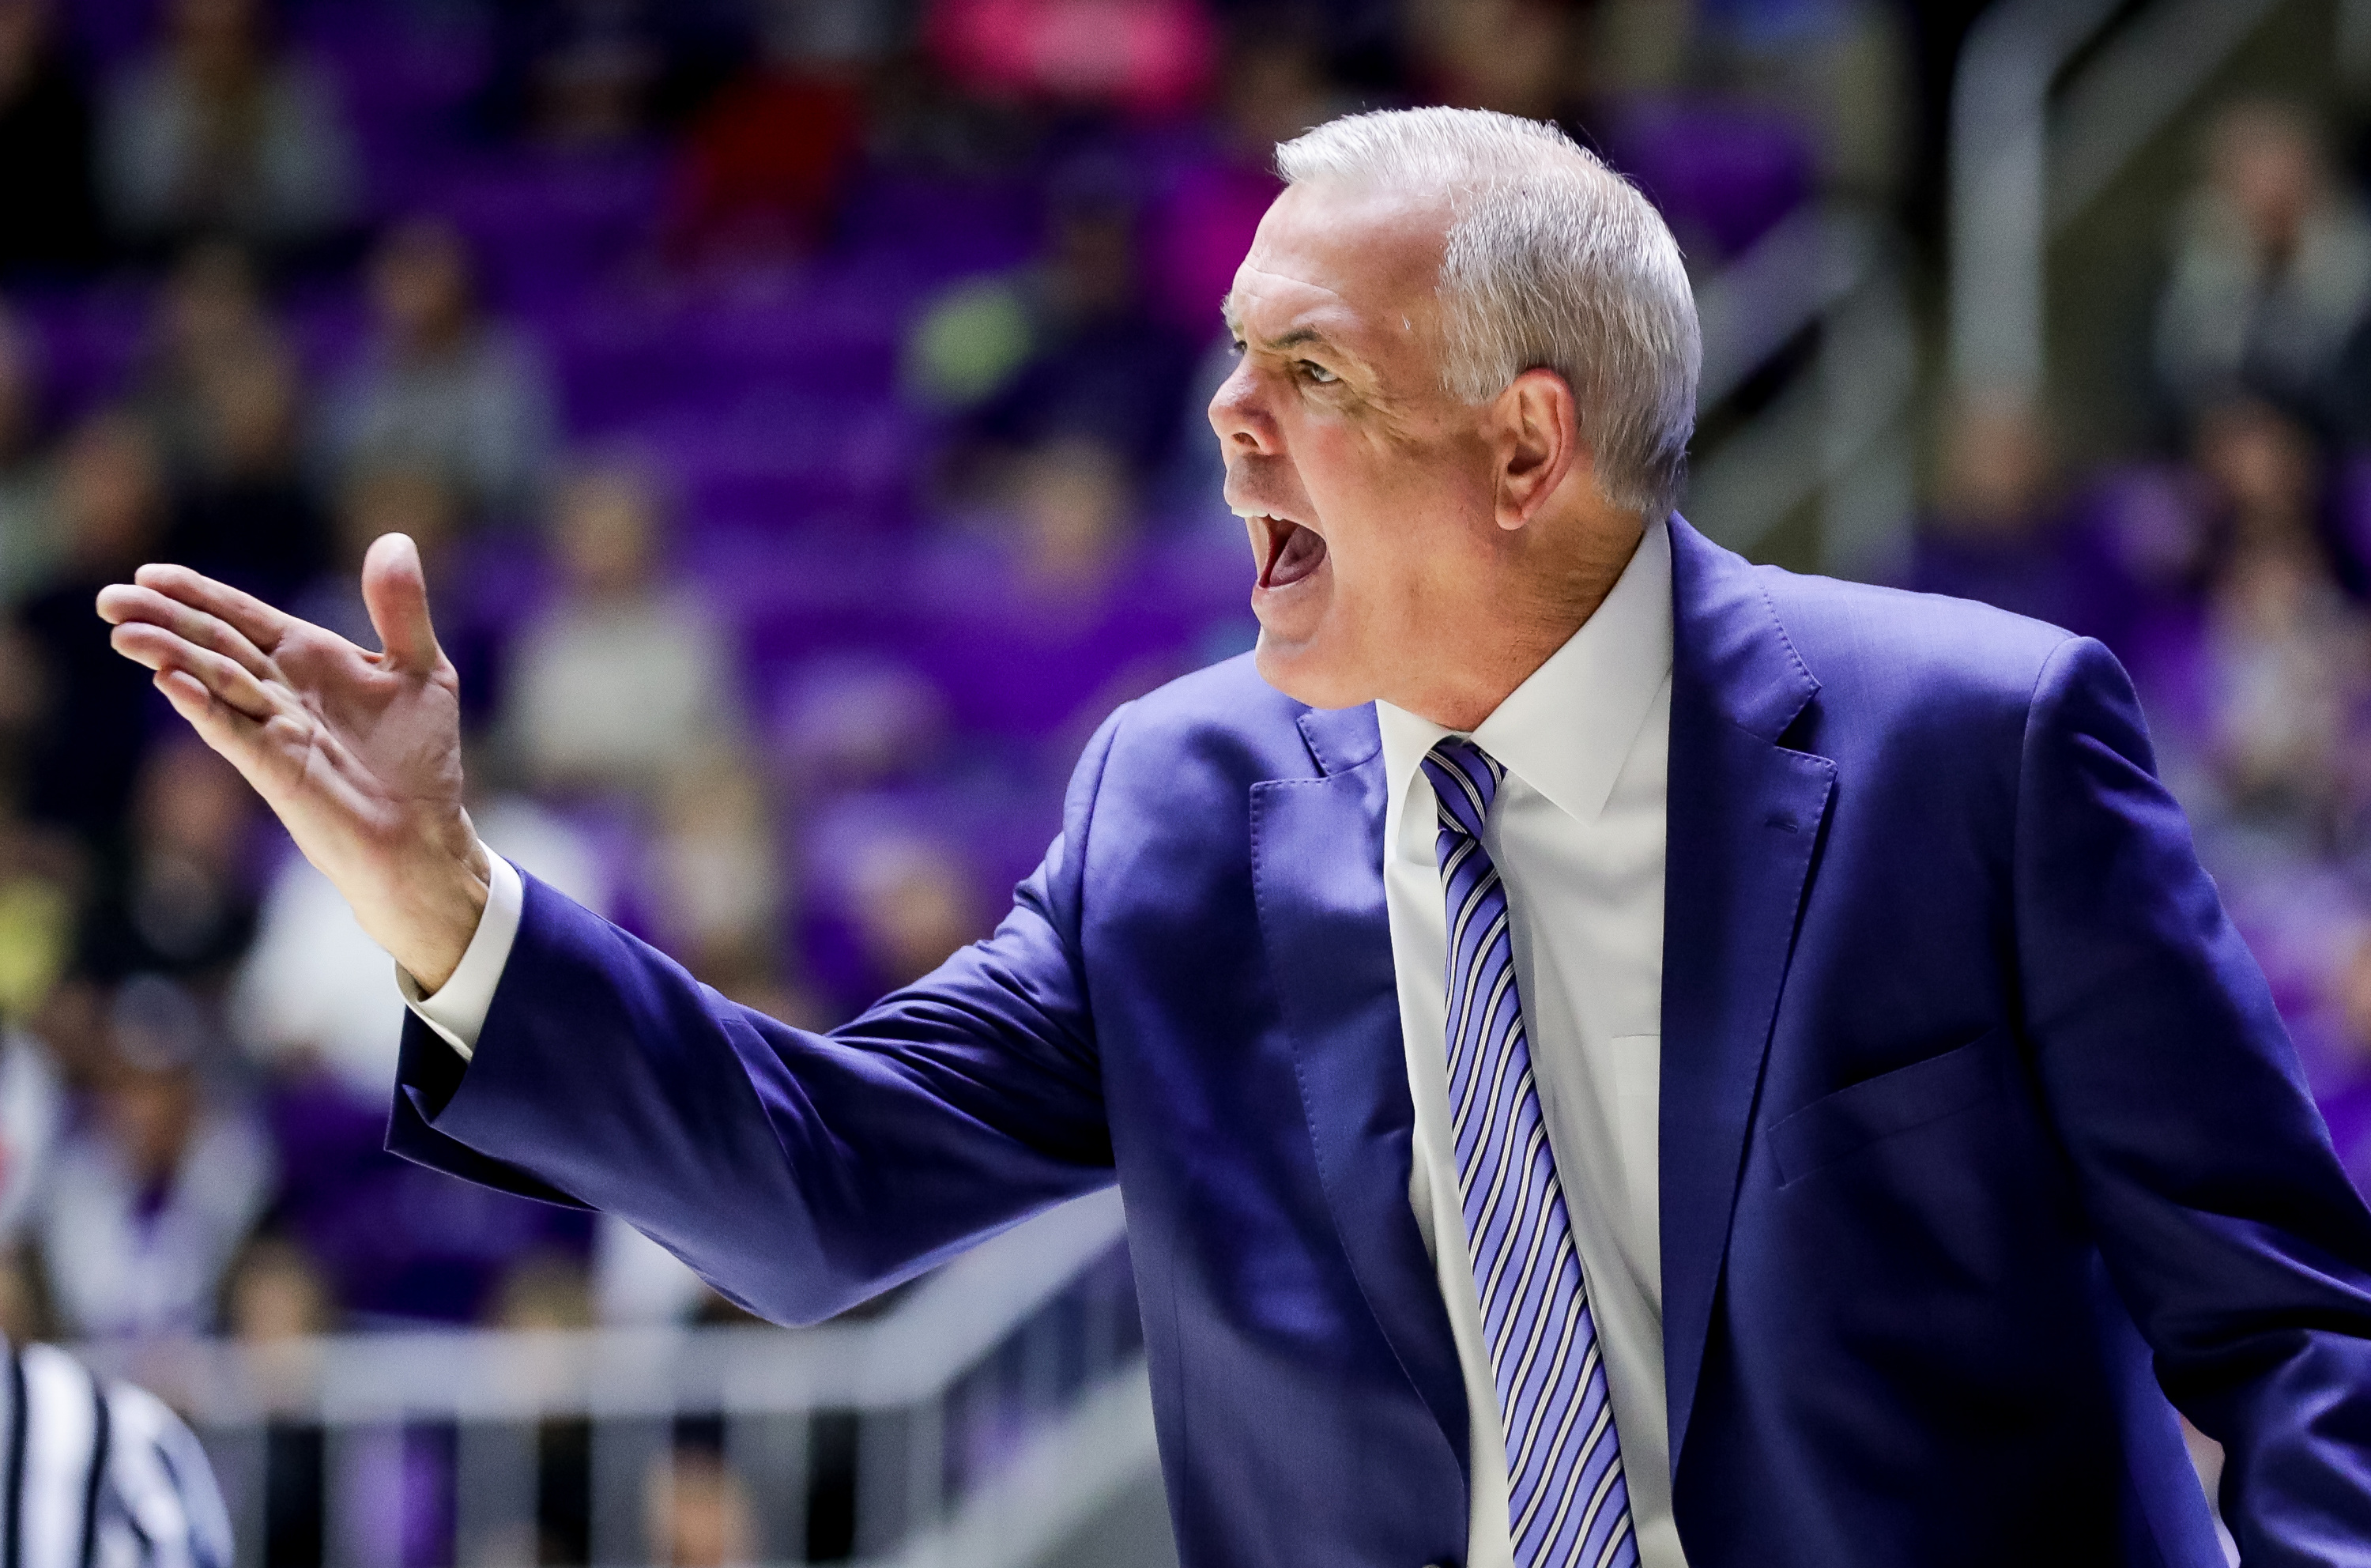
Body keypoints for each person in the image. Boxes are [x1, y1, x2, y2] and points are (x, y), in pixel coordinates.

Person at [96, 107, 2371, 1566]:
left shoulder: (1974, 748)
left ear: (1524, 445)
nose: (1222, 423)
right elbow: (812, 1191)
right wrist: (434, 896)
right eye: (1225, 358)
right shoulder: (1174, 807)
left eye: (1308, 373)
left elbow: (2294, 1333)